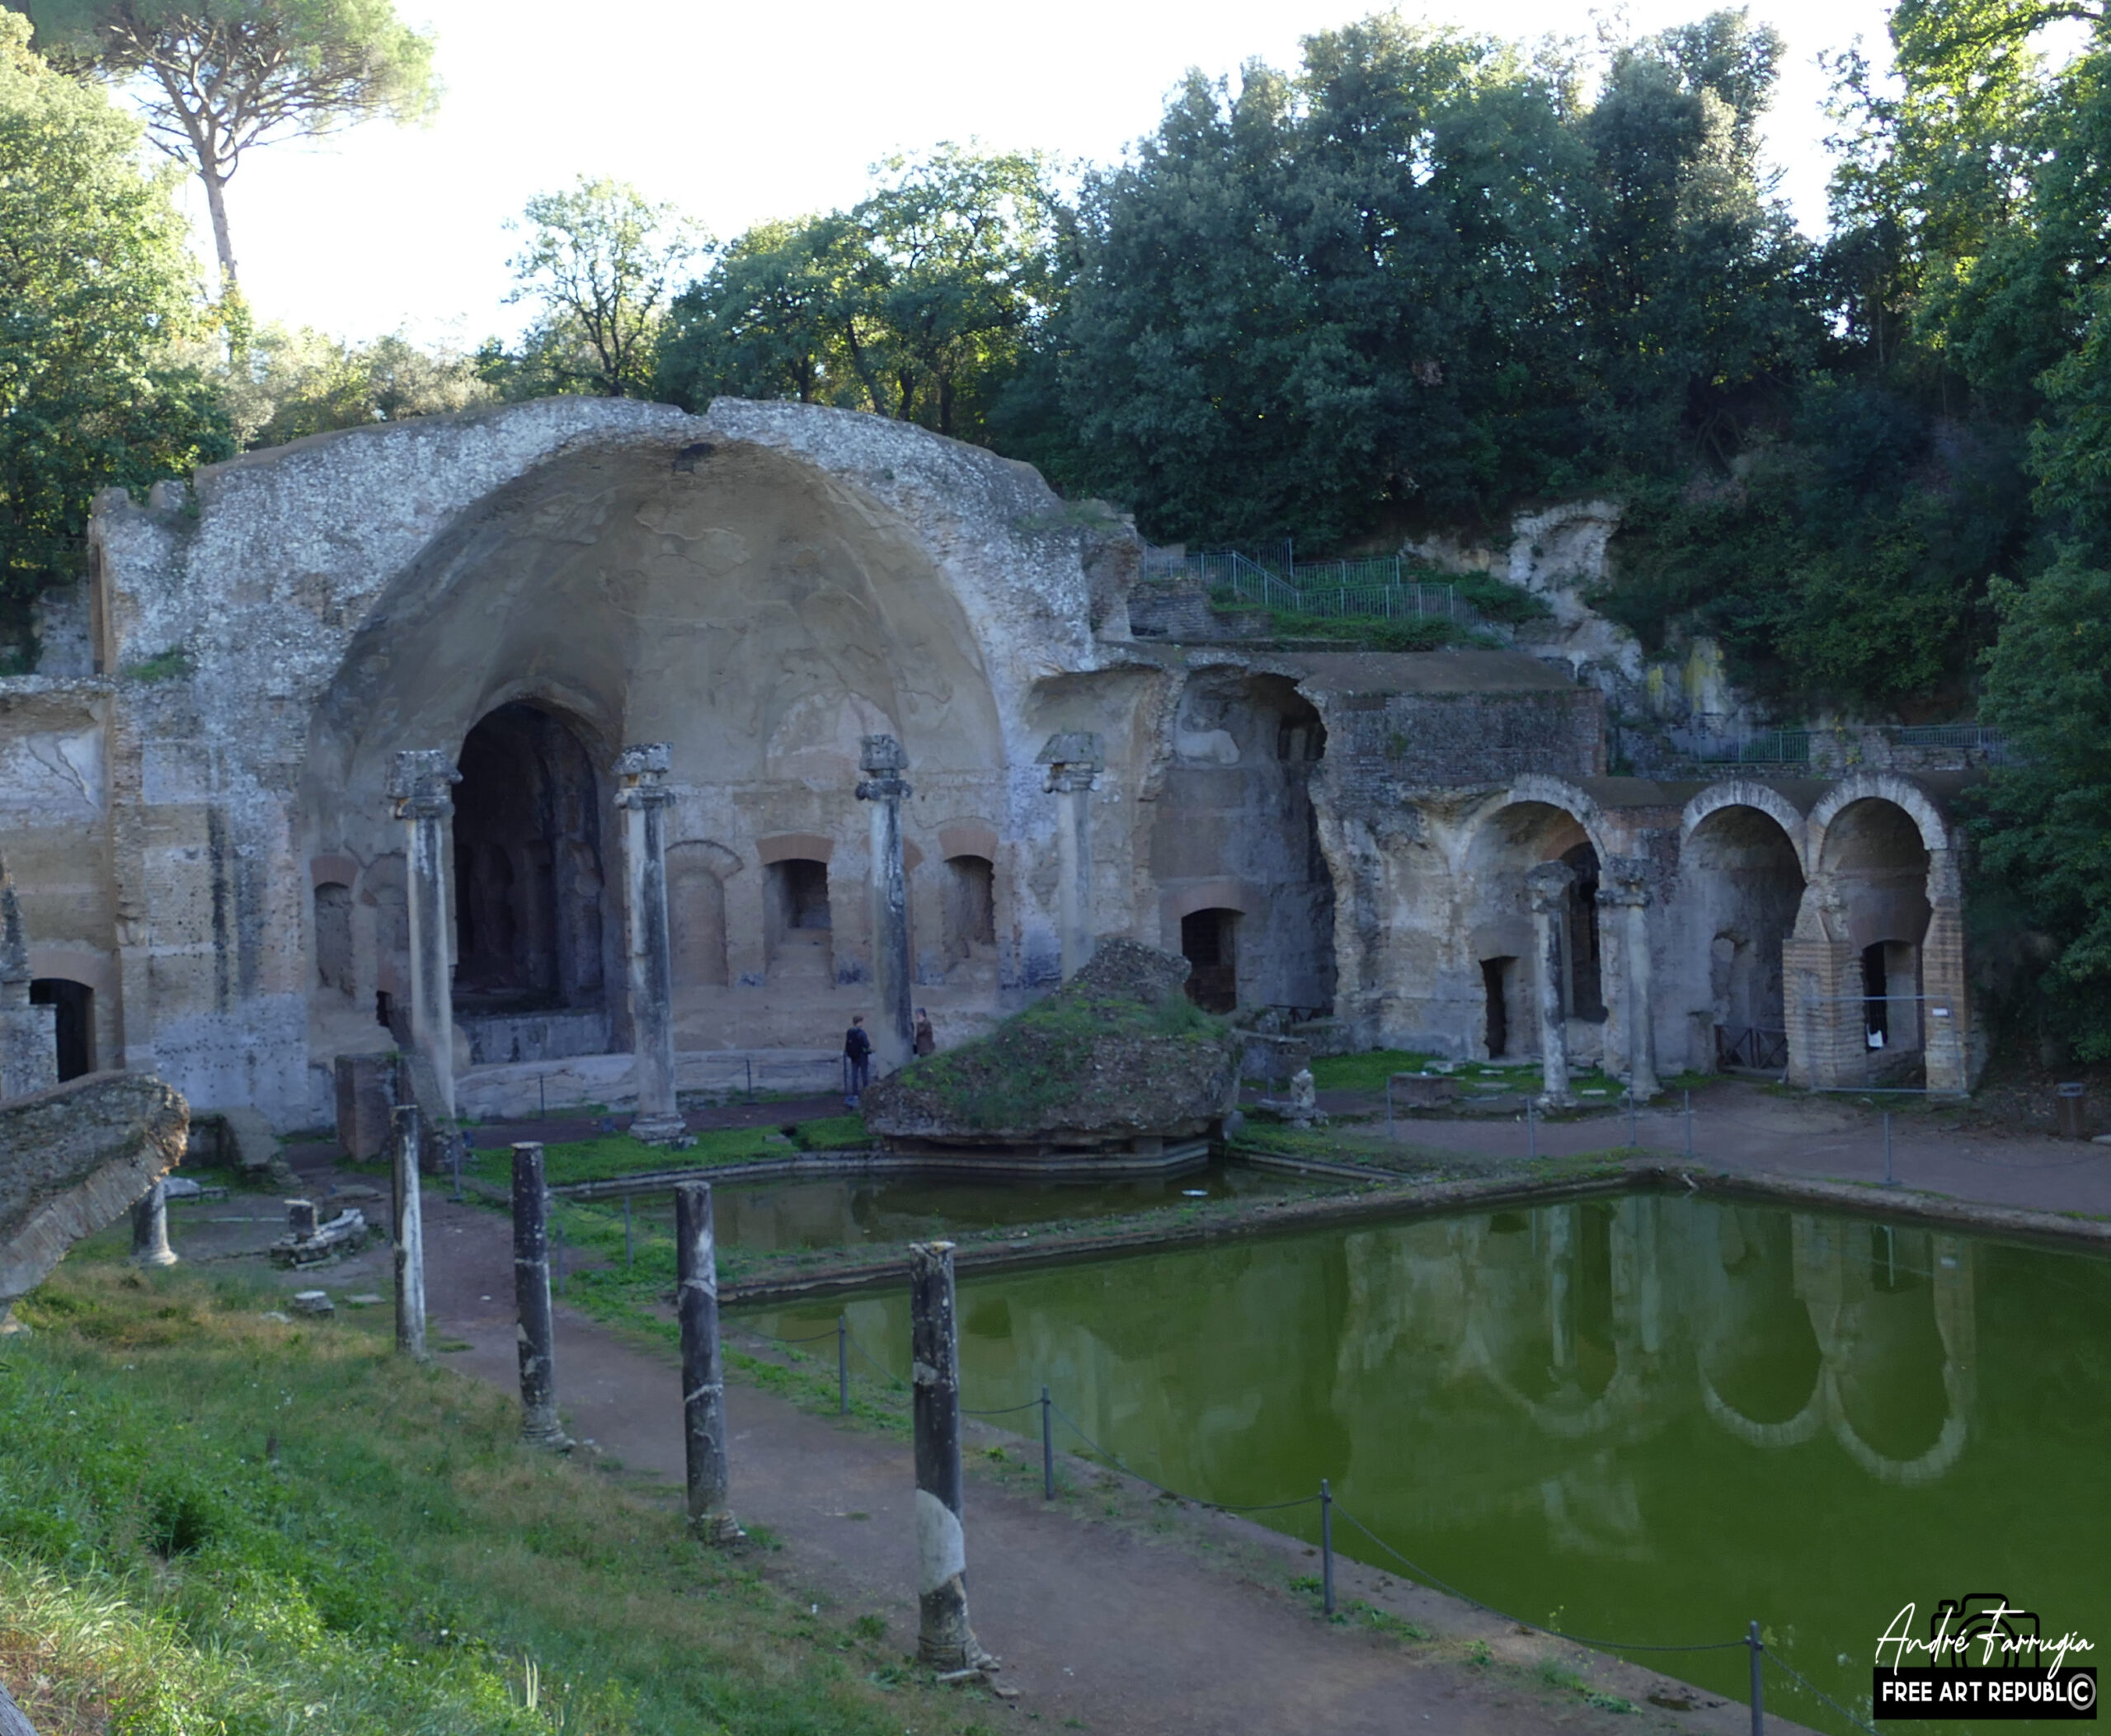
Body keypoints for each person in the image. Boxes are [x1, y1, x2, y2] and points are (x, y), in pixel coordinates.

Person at [844, 1014, 872, 1105]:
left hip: (853, 1056)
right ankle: (866, 1092)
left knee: (854, 1075)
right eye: (861, 1022)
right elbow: (866, 1044)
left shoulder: (850, 1032)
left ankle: (855, 1093)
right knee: (864, 1074)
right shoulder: (861, 1033)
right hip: (862, 1056)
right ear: (859, 1022)